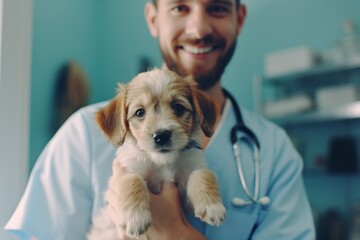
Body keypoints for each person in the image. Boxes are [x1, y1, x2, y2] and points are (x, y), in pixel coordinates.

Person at [5, 0, 316, 239]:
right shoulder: (82, 133)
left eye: (217, 8)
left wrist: (175, 233)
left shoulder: (276, 153)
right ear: (153, 18)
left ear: (240, 17)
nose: (198, 29)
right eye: (180, 7)